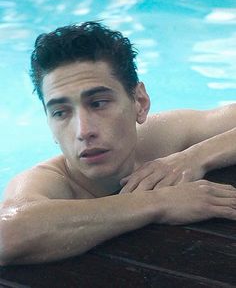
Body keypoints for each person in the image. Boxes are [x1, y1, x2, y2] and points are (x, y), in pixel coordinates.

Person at [1, 21, 236, 266]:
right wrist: (160, 202)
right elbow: (7, 235)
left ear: (140, 102)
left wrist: (195, 157)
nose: (83, 131)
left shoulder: (162, 137)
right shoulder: (48, 181)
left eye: (98, 103)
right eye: (61, 112)